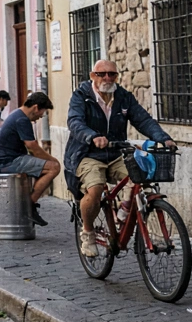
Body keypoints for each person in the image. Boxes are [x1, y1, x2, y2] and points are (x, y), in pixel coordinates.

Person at [66, 59, 175, 256]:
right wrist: (92, 136)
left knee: (140, 176)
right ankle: (88, 233)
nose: (107, 78)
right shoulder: (81, 96)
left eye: (112, 74)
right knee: (95, 189)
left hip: (116, 153)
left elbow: (143, 120)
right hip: (87, 153)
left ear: (117, 76)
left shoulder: (123, 97)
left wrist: (163, 138)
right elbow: (75, 122)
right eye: (101, 74)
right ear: (93, 76)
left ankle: (123, 211)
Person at [0, 92, 62, 227]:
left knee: (45, 167)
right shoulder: (22, 120)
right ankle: (29, 206)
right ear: (35, 107)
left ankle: (28, 203)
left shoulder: (17, 114)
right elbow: (32, 147)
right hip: (7, 161)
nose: (41, 117)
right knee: (54, 168)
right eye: (42, 113)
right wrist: (53, 160)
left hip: (6, 158)